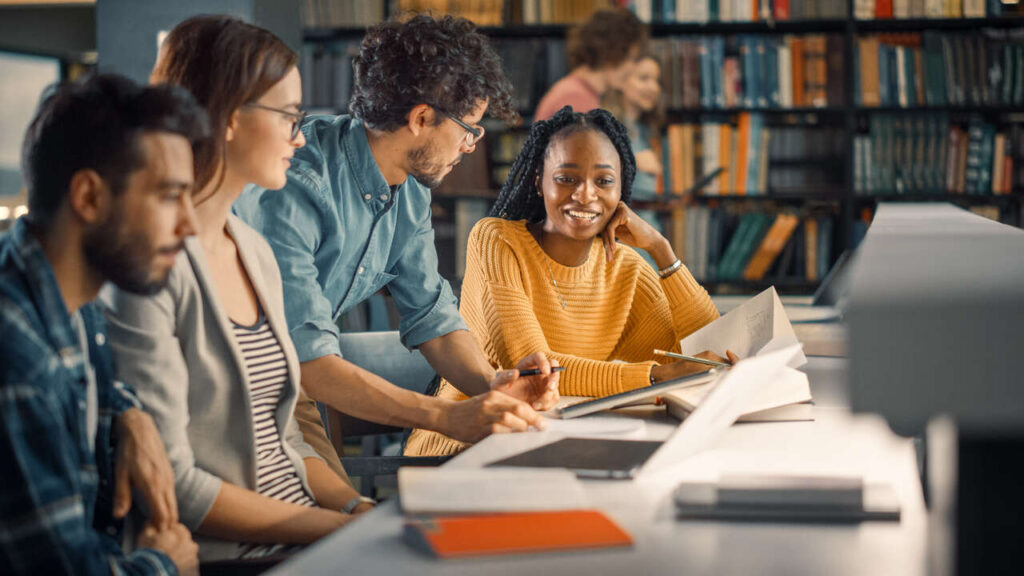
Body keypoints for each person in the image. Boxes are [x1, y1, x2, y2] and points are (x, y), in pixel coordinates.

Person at [101, 16, 374, 564]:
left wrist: (354, 509)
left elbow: (286, 443)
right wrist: (332, 530)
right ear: (228, 118)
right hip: (238, 556)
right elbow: (175, 482)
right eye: (290, 117)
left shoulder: (254, 249)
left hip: (305, 537)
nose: (301, 136)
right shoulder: (150, 267)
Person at [233, 13, 560, 452]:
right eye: (468, 129)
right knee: (344, 516)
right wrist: (448, 417)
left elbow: (434, 320)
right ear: (422, 118)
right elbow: (308, 363)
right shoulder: (297, 186)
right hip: (236, 387)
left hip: (293, 383)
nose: (470, 146)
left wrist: (494, 387)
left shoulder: (409, 192)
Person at [406, 107, 734, 457]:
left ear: (621, 190)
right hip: (468, 443)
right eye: (566, 178)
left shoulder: (627, 267)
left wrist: (661, 249)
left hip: (557, 439)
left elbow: (702, 354)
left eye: (604, 181)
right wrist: (654, 378)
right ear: (538, 180)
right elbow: (537, 370)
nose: (585, 194)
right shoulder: (497, 242)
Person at [0, 74, 204, 575]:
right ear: (89, 197)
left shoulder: (73, 294)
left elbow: (98, 387)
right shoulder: (16, 357)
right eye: (168, 196)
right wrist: (164, 564)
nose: (190, 225)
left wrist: (127, 414)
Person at [602, 54, 666, 267]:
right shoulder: (607, 127)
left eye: (657, 80)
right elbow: (594, 171)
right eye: (644, 78)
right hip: (623, 234)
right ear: (621, 81)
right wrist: (635, 160)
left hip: (648, 224)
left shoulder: (646, 130)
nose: (653, 87)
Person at [534, 8, 648, 121]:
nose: (632, 67)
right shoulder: (574, 98)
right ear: (610, 51)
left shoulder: (579, 92)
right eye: (630, 58)